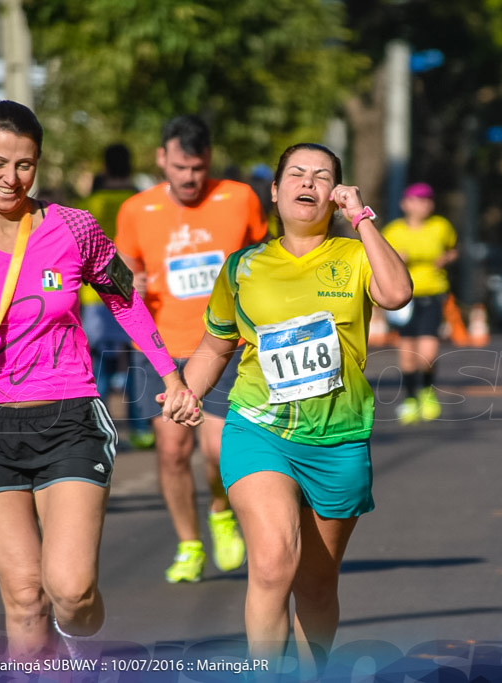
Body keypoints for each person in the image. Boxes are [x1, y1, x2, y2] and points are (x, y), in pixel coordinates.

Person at [0, 100, 198, 661]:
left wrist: (172, 376)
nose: (11, 177)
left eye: (25, 164)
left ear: (38, 164)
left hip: (69, 417)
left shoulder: (73, 228)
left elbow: (125, 300)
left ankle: (82, 645)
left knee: (71, 592)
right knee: (26, 598)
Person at [176, 142, 412, 671]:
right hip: (258, 428)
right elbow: (216, 345)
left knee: (317, 586)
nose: (308, 182)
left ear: (336, 193)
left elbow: (396, 294)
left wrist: (362, 220)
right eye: (297, 174)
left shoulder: (355, 255)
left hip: (339, 438)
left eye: (322, 176)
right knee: (273, 562)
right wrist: (186, 390)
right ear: (276, 191)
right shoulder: (242, 267)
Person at [115, 115, 267, 583]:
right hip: (162, 349)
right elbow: (122, 271)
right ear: (162, 158)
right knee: (172, 453)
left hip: (225, 346)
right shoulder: (136, 210)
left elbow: (267, 256)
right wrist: (131, 283)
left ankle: (221, 509)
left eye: (198, 168)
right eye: (180, 167)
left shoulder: (239, 197)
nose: (189, 178)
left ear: (210, 161)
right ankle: (188, 544)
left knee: (218, 451)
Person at [77, 143, 150, 448]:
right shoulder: (140, 202)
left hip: (94, 296)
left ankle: (99, 429)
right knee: (136, 358)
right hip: (134, 289)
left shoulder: (89, 204)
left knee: (99, 364)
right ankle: (142, 428)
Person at [380, 182, 457, 424]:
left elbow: (453, 249)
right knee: (407, 352)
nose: (422, 205)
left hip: (433, 294)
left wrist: (445, 258)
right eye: (417, 200)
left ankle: (427, 390)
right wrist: (396, 260)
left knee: (428, 351)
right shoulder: (393, 231)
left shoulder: (440, 226)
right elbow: (380, 263)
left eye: (427, 200)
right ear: (405, 204)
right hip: (404, 298)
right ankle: (411, 398)